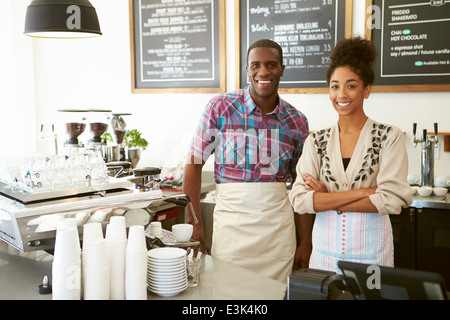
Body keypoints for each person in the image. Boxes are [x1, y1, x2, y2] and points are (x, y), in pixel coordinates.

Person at [183, 39, 311, 283]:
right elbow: (193, 164)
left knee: (276, 293)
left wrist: (306, 241)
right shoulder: (220, 108)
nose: (263, 72)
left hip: (277, 234)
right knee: (228, 292)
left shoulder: (297, 122)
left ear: (282, 69)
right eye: (256, 65)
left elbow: (301, 184)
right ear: (247, 69)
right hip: (232, 230)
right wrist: (195, 223)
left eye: (271, 65)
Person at [289, 37, 413, 273]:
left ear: (366, 90)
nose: (341, 94)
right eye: (335, 86)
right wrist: (364, 193)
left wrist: (326, 199)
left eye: (351, 85)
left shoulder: (389, 136)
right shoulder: (316, 141)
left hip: (371, 255)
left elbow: (393, 199)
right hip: (324, 253)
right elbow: (299, 200)